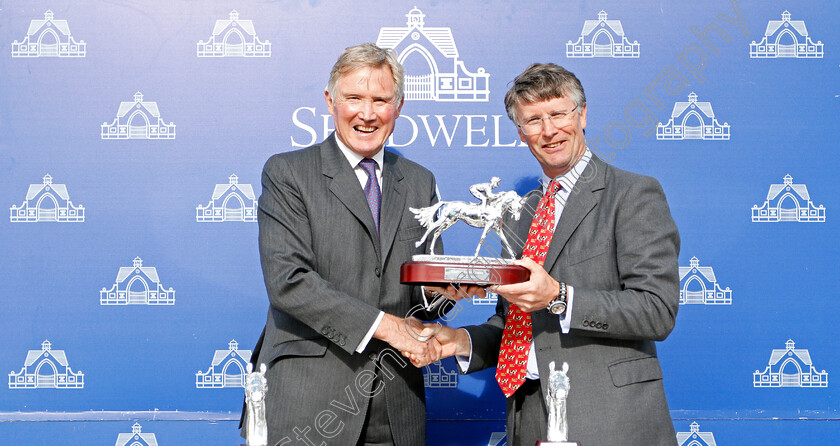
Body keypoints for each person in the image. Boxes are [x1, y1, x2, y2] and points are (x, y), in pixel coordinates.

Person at [424, 63, 681, 446]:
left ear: (582, 115)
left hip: (611, 421)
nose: (548, 130)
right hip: (530, 420)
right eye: (533, 120)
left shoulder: (632, 194)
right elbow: (517, 323)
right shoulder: (523, 212)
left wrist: (560, 297)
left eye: (558, 114)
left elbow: (656, 310)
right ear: (520, 132)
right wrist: (462, 341)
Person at [245, 43, 443, 446]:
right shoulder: (288, 173)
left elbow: (427, 295)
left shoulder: (420, 181)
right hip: (308, 401)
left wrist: (450, 291)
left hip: (397, 402)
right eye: (354, 98)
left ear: (398, 106)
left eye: (380, 100)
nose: (366, 113)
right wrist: (388, 327)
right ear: (330, 101)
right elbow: (289, 281)